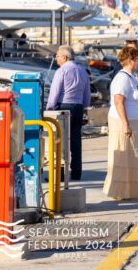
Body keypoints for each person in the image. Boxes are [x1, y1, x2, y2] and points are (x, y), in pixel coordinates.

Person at [103, 46, 138, 200]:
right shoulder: (122, 78)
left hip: (135, 122)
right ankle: (119, 192)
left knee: (134, 156)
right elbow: (118, 102)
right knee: (123, 157)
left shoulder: (133, 77)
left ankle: (134, 190)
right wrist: (125, 124)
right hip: (123, 122)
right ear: (130, 60)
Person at [46, 45, 91, 181]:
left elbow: (55, 92)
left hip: (64, 106)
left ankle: (59, 174)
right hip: (78, 107)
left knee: (60, 141)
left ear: (64, 57)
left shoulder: (62, 71)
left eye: (57, 56)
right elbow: (87, 94)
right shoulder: (82, 71)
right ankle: (76, 172)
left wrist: (49, 109)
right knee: (76, 141)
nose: (56, 59)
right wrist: (84, 108)